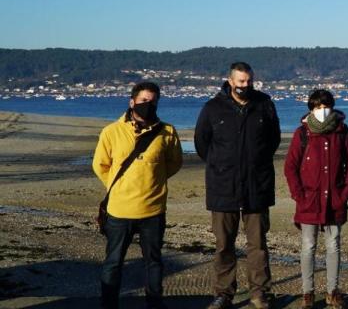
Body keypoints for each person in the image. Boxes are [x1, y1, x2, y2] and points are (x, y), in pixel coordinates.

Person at [195, 62, 281, 309]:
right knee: (223, 245)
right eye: (240, 81)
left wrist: (257, 163)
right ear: (230, 81)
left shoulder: (264, 105)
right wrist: (221, 165)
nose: (245, 85)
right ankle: (223, 293)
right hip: (223, 186)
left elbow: (272, 140)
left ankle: (260, 293)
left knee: (258, 245)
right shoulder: (213, 108)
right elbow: (202, 143)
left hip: (257, 186)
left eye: (248, 81)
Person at [93, 81, 183, 309]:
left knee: (153, 263)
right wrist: (119, 186)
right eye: (144, 101)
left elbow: (174, 163)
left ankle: (154, 304)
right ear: (132, 102)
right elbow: (100, 165)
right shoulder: (111, 132)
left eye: (153, 102)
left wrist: (153, 181)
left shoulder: (167, 132)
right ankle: (109, 304)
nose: (148, 105)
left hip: (153, 211)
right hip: (119, 211)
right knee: (113, 262)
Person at [284, 89, 348, 309]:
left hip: (335, 200)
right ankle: (308, 292)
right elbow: (290, 167)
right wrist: (299, 196)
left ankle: (332, 291)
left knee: (333, 246)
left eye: (325, 106)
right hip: (309, 201)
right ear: (311, 109)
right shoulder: (302, 134)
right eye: (317, 107)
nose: (322, 111)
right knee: (308, 247)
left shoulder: (342, 131)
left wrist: (345, 193)